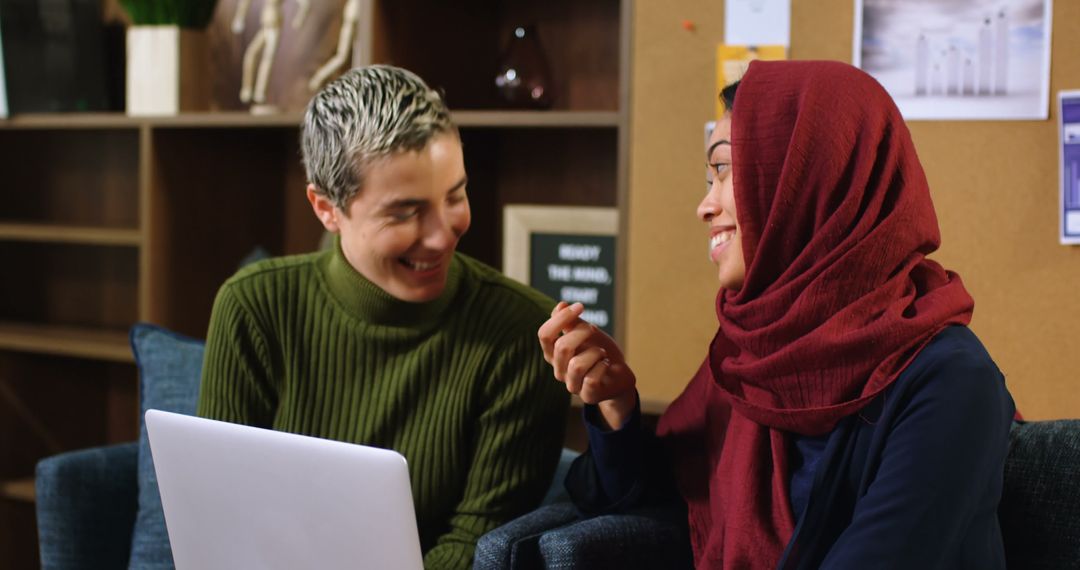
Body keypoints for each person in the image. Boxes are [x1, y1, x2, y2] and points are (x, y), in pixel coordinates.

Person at [539, 60, 1015, 569]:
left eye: (723, 171)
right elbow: (661, 494)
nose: (705, 205)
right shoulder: (753, 349)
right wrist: (615, 400)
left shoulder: (953, 383)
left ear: (809, 181)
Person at [198, 64, 568, 569]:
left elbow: (476, 546)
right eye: (405, 212)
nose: (443, 234)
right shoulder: (255, 308)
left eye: (455, 195)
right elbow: (223, 516)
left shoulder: (523, 333)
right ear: (327, 208)